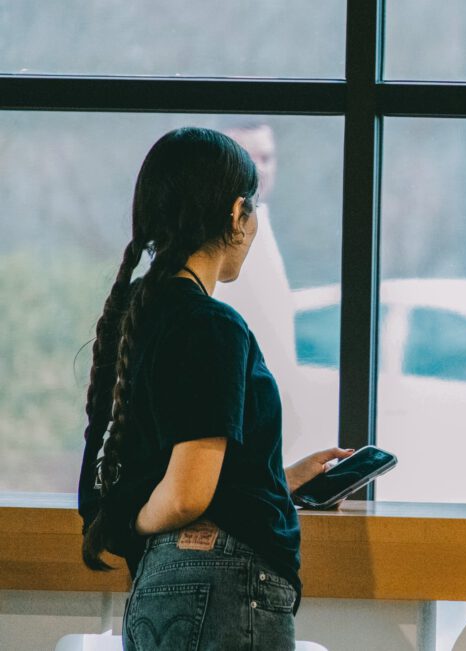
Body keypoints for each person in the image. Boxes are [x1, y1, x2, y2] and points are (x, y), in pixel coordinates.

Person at [77, 127, 351, 649]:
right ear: (235, 215)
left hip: (164, 587)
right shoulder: (211, 325)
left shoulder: (134, 313)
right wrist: (136, 520)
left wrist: (277, 480)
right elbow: (185, 494)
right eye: (253, 210)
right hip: (222, 586)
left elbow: (169, 465)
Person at [210, 119, 310, 463]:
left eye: (267, 158)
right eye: (249, 158)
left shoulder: (263, 227)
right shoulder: (221, 245)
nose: (260, 169)